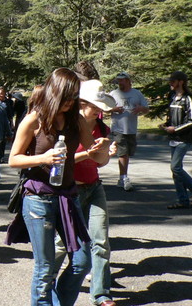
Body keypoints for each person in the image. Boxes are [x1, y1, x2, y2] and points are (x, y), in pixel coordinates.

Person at [7, 67, 109, 306]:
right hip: (37, 199)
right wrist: (43, 158)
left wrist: (102, 148)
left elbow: (99, 159)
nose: (69, 102)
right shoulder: (34, 119)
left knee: (82, 260)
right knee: (44, 267)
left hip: (68, 196)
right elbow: (13, 159)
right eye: (66, 97)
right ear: (54, 92)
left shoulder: (77, 120)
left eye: (74, 97)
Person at [55, 79, 118, 306]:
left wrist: (107, 152)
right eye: (96, 105)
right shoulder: (68, 126)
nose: (100, 110)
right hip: (72, 190)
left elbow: (100, 163)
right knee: (62, 244)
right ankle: (46, 284)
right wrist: (89, 153)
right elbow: (58, 161)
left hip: (94, 188)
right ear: (83, 103)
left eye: (102, 106)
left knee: (101, 241)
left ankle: (101, 293)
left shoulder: (102, 128)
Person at [160, 71, 192, 209]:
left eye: (173, 81)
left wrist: (176, 129)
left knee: (176, 167)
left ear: (181, 82)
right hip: (173, 138)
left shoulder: (188, 98)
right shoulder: (172, 96)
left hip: (184, 138)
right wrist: (166, 126)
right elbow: (172, 118)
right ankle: (183, 201)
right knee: (176, 171)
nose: (170, 83)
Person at [109, 72, 149, 191]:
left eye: (122, 80)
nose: (120, 83)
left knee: (129, 153)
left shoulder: (137, 93)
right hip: (118, 128)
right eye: (118, 80)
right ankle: (123, 178)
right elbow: (104, 109)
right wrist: (114, 109)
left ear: (128, 81)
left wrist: (140, 109)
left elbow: (146, 109)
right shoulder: (113, 94)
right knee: (123, 153)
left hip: (131, 128)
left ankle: (122, 177)